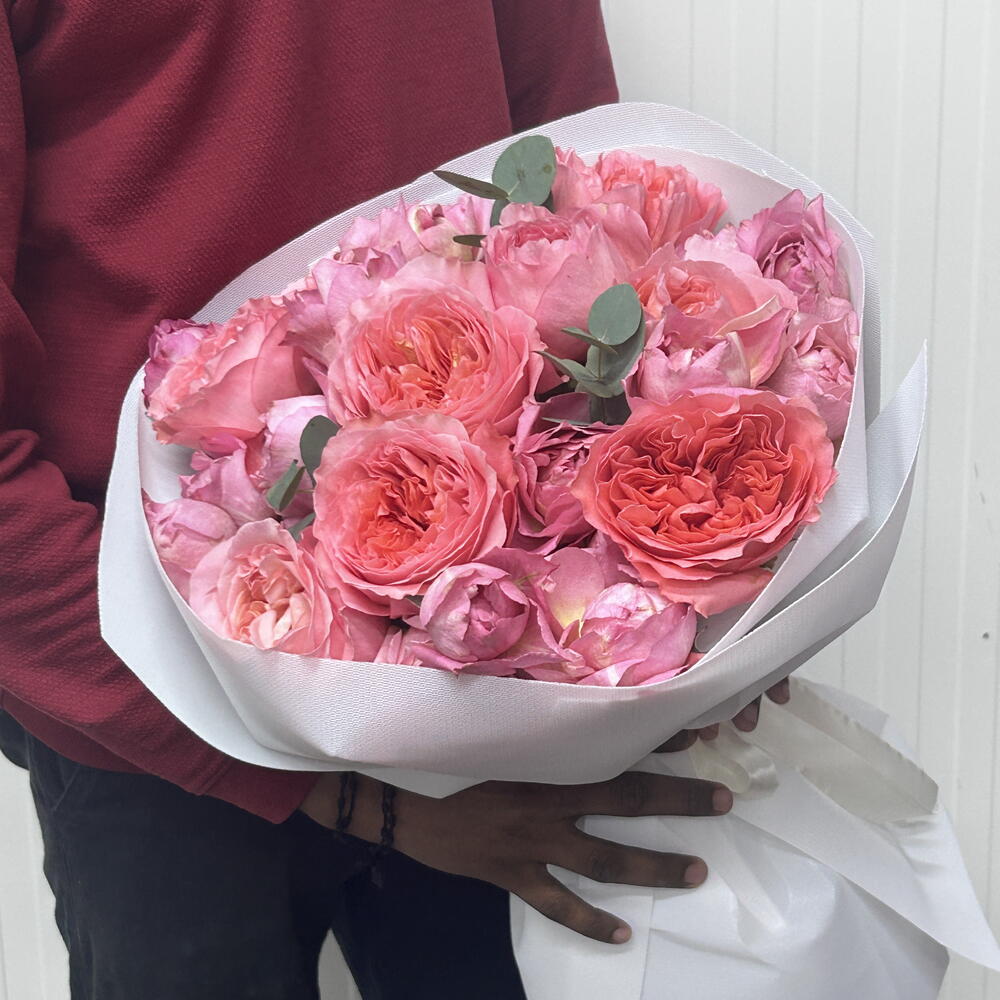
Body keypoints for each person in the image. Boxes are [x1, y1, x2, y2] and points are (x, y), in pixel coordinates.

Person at [0, 3, 777, 997]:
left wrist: (703, 596)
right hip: (147, 706)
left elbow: (583, 199)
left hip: (488, 662)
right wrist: (359, 799)